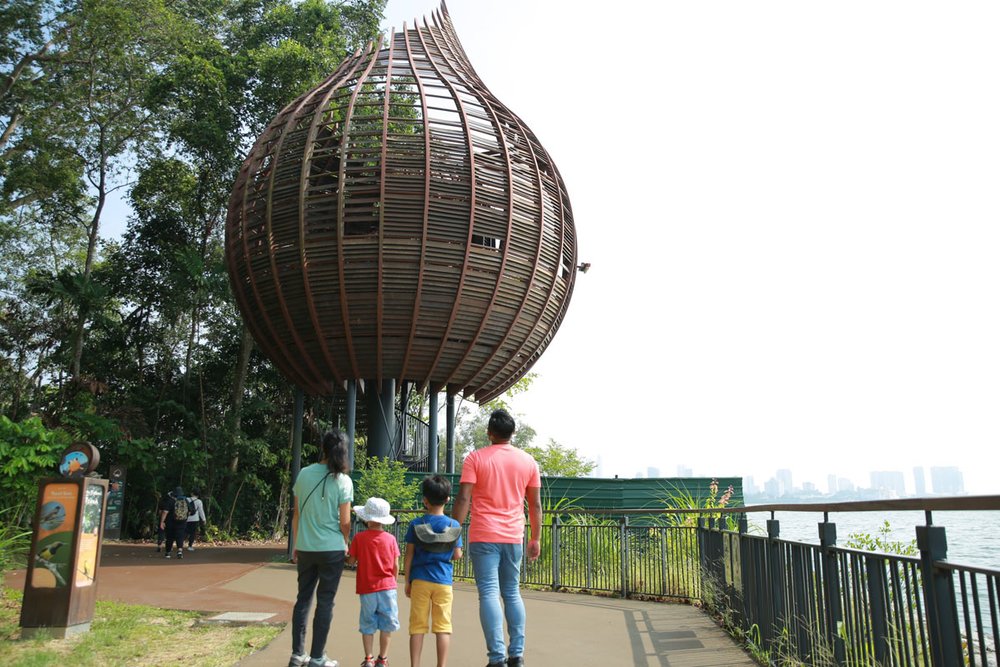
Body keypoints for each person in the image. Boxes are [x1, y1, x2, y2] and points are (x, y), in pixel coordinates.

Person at [451, 409, 542, 667]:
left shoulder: (475, 459)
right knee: (512, 592)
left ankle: (497, 658)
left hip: (483, 535)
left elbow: (464, 498)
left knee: (489, 593)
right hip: (514, 536)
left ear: (490, 433)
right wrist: (535, 537)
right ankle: (517, 656)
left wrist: (453, 533)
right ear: (513, 433)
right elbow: (534, 505)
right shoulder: (528, 462)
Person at [290, 430, 354, 667]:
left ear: (323, 448)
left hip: (306, 547)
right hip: (332, 550)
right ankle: (318, 658)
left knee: (303, 600)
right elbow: (345, 522)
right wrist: (345, 544)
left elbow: (296, 514)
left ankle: (297, 655)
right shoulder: (344, 480)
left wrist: (297, 544)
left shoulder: (304, 474)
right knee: (325, 601)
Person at [404, 475, 463, 667]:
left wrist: (407, 581)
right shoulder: (454, 525)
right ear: (447, 499)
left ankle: (415, 665)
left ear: (425, 500)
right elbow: (457, 555)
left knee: (417, 626)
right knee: (443, 627)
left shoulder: (416, 524)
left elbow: (409, 555)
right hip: (443, 581)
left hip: (420, 579)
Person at [348, 497, 400, 667]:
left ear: (367, 518)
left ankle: (368, 658)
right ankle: (383, 659)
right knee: (387, 625)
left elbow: (351, 561)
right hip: (388, 587)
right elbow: (395, 565)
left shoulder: (359, 538)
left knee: (368, 624)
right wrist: (394, 581)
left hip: (367, 587)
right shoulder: (391, 539)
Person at [159, 486, 190, 560]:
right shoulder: (185, 500)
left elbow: (165, 512)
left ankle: (168, 553)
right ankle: (179, 551)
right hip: (182, 522)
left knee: (170, 537)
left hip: (170, 522)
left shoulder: (170, 500)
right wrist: (184, 517)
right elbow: (190, 511)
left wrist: (162, 521)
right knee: (180, 536)